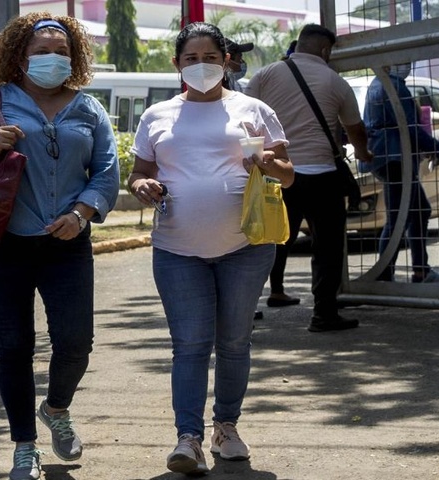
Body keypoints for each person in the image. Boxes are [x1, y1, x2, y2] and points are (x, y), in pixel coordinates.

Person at [0, 12, 119, 480]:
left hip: (66, 243)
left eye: (61, 51)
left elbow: (107, 173)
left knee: (76, 344)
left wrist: (82, 214)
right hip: (1, 244)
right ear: (20, 55)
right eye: (42, 51)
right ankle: (24, 446)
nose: (52, 58)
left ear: (73, 59)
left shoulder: (88, 109)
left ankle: (55, 408)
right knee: (14, 346)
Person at [128, 22, 293, 475]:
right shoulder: (157, 116)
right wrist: (144, 184)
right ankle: (189, 439)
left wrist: (265, 161)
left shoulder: (253, 109)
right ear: (177, 64)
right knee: (190, 344)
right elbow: (138, 172)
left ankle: (226, 427)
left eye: (210, 58)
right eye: (190, 59)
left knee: (235, 341)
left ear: (227, 62)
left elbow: (288, 174)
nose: (200, 66)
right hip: (178, 249)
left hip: (246, 247)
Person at [246, 24, 373, 332]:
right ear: (326, 51)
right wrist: (364, 153)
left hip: (278, 173)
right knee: (327, 247)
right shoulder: (336, 81)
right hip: (322, 176)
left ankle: (245, 309)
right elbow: (355, 129)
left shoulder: (265, 75)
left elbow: (245, 118)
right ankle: (324, 313)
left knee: (270, 240)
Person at [362, 62, 439, 284]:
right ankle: (384, 273)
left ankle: (421, 270)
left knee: (419, 210)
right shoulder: (393, 86)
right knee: (397, 218)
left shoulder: (379, 84)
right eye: (403, 62)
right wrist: (434, 146)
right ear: (389, 64)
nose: (407, 66)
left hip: (390, 157)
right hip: (395, 159)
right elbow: (408, 127)